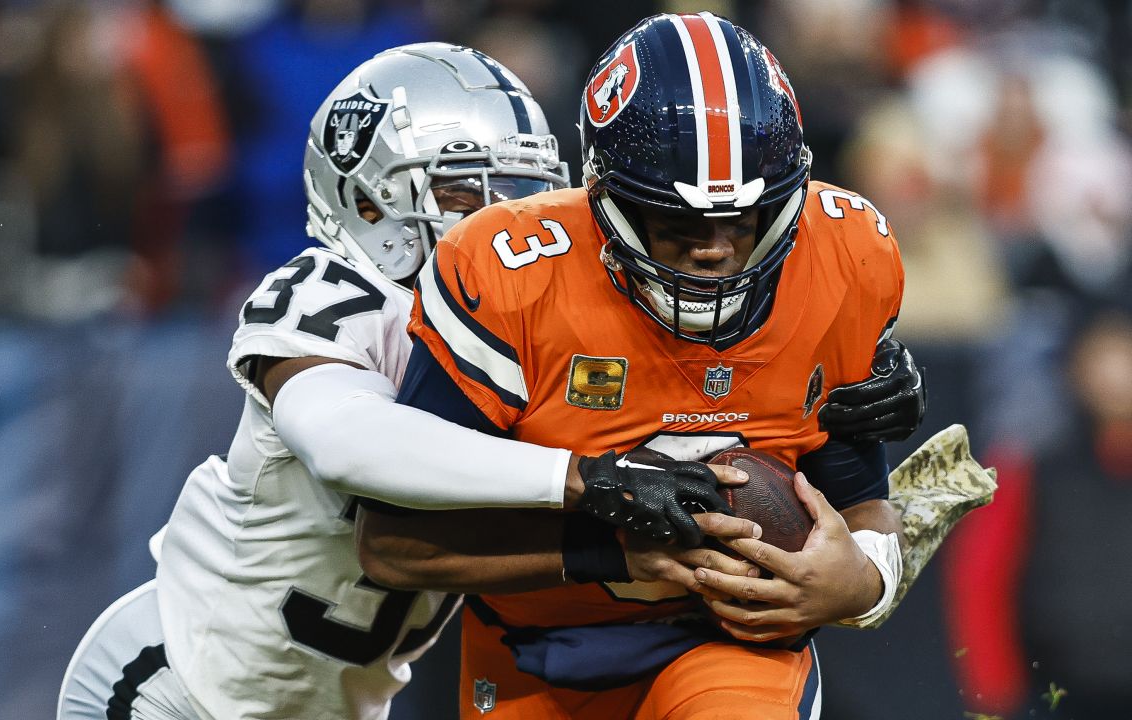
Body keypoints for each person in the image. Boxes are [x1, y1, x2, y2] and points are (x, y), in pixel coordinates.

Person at [58, 35, 925, 720]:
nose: (508, 220)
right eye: (477, 194)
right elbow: (350, 443)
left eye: (525, 191)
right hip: (185, 679)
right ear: (369, 198)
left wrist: (830, 376)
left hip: (332, 700)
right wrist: (588, 483)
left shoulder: (521, 301)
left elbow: (661, 390)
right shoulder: (333, 293)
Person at [356, 13, 915, 719]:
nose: (712, 250)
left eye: (739, 222)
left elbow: (864, 504)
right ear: (608, 202)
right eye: (678, 224)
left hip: (727, 648)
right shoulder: (510, 274)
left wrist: (863, 585)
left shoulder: (843, 256)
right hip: (534, 649)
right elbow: (392, 544)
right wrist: (612, 548)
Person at [944, 307, 1132, 719]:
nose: (1118, 377)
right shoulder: (1029, 466)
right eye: (1105, 358)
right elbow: (981, 580)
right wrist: (996, 693)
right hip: (1055, 692)